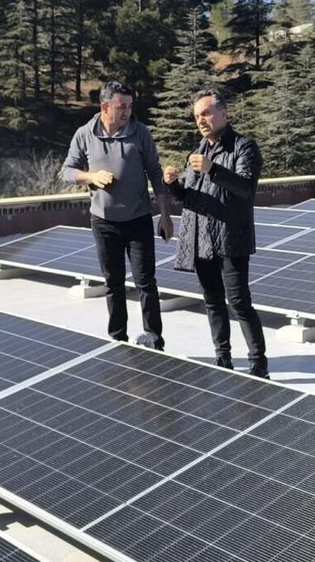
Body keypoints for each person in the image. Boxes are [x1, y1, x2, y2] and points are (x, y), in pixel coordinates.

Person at [164, 89, 269, 378]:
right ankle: (223, 357)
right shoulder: (197, 151)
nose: (201, 120)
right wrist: (172, 185)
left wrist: (213, 170)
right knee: (212, 302)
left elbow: (246, 187)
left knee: (239, 302)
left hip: (231, 238)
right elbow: (189, 198)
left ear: (224, 113)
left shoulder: (244, 147)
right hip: (201, 239)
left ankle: (259, 363)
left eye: (206, 113)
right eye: (197, 116)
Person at [62, 81, 173, 349]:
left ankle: (155, 340)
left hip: (138, 220)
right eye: (121, 107)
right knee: (113, 283)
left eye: (130, 106)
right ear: (105, 107)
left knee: (146, 282)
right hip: (103, 222)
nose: (127, 112)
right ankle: (118, 340)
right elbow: (67, 171)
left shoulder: (140, 132)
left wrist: (165, 215)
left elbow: (156, 174)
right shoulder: (85, 133)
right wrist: (91, 177)